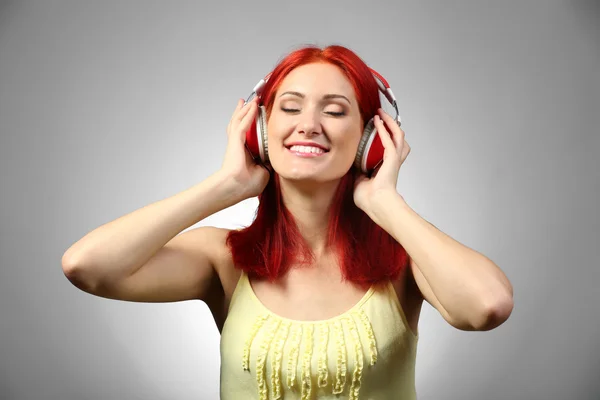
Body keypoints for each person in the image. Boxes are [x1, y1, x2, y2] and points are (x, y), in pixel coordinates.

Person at [61, 44, 514, 400]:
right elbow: (86, 266)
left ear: (370, 139)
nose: (309, 125)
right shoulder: (224, 259)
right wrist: (224, 185)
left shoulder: (405, 262)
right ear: (259, 130)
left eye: (335, 111)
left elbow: (487, 305)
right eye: (290, 107)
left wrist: (385, 202)